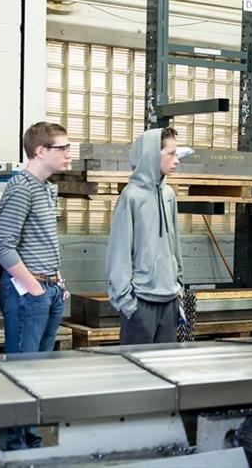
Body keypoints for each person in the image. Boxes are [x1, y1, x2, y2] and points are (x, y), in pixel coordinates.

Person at [0, 121, 70, 450]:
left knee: (37, 372)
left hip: (48, 289)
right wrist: (34, 286)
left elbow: (39, 240)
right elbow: (2, 245)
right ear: (40, 151)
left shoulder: (45, 188)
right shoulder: (22, 186)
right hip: (29, 294)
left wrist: (56, 278)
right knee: (20, 372)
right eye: (62, 148)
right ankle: (13, 446)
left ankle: (31, 439)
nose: (69, 154)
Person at [106, 127, 184, 345]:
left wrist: (178, 284)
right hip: (141, 303)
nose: (176, 160)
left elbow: (175, 244)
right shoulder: (131, 197)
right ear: (152, 155)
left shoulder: (168, 195)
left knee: (165, 372)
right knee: (136, 373)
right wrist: (127, 303)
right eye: (171, 153)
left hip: (169, 300)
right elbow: (118, 252)